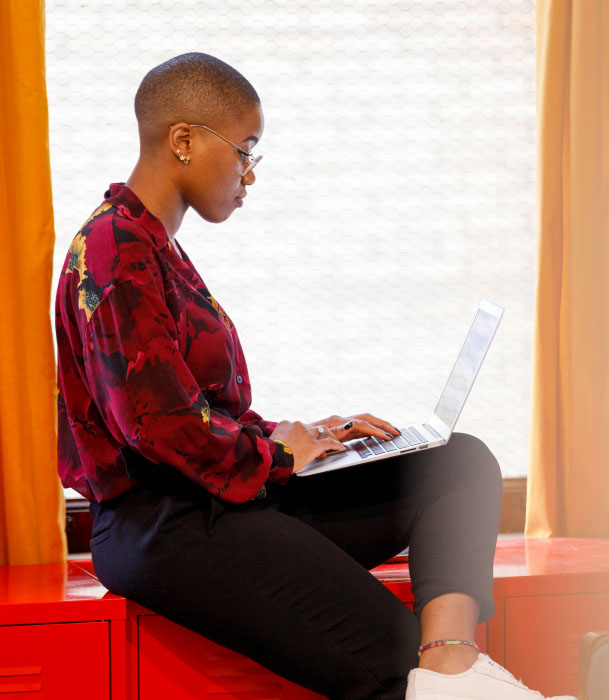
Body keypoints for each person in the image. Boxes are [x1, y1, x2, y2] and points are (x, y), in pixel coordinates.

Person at [55, 53, 574, 700]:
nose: (249, 174)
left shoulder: (155, 246)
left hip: (217, 494)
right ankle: (430, 674)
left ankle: (450, 662)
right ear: (182, 140)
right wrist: (273, 454)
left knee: (454, 464)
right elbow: (159, 427)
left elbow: (193, 408)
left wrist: (296, 438)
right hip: (165, 523)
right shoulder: (113, 248)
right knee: (385, 652)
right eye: (245, 151)